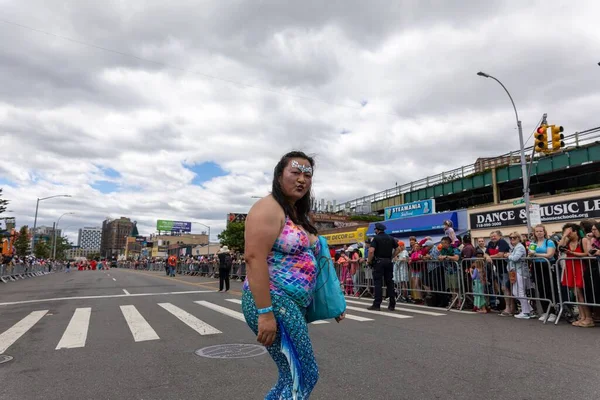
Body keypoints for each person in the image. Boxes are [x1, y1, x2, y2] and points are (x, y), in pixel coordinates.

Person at [241, 151, 344, 399]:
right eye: (295, 173)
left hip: (291, 305)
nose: (302, 180)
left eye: (307, 175)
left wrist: (334, 302)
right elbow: (253, 258)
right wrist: (265, 312)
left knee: (291, 376)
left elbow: (317, 260)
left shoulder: (297, 214)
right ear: (279, 176)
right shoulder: (267, 208)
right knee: (304, 374)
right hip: (274, 301)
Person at [527, 224, 558, 323]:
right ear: (534, 233)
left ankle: (553, 312)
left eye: (541, 231)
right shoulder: (533, 243)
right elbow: (530, 254)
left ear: (544, 232)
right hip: (537, 267)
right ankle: (545, 311)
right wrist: (530, 256)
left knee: (549, 289)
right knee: (540, 289)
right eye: (537, 231)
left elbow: (550, 254)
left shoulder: (549, 242)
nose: (539, 233)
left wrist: (535, 254)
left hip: (547, 266)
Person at [367, 223, 401, 311]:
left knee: (378, 283)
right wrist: (391, 257)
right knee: (390, 282)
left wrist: (369, 261)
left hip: (379, 262)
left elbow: (371, 251)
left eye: (375, 229)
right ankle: (392, 304)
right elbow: (398, 249)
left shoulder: (376, 238)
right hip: (388, 261)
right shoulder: (391, 238)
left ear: (377, 230)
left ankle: (377, 304)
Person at [504, 232, 532, 319]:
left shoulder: (519, 247)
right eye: (511, 238)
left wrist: (508, 255)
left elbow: (515, 258)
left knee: (520, 292)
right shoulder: (515, 247)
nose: (512, 239)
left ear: (519, 238)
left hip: (520, 271)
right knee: (516, 292)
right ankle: (529, 310)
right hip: (516, 271)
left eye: (514, 238)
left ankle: (526, 312)